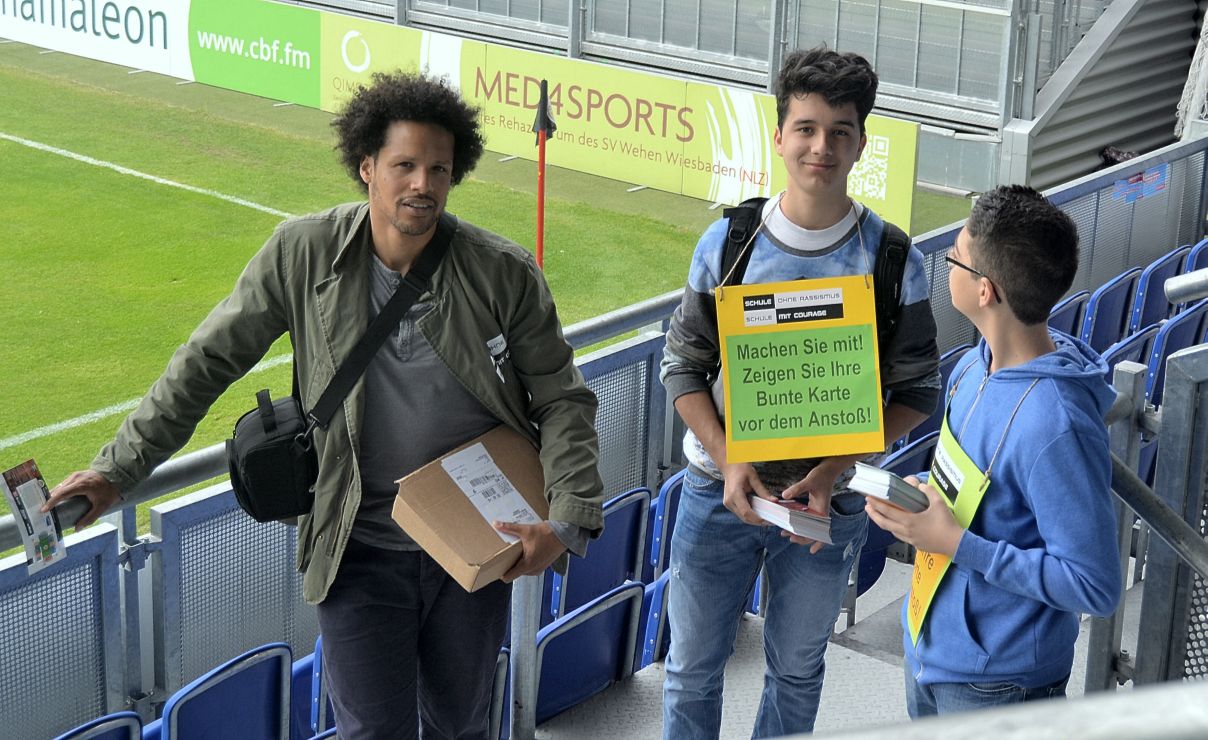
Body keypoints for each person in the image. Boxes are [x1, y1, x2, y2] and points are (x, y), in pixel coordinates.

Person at [43, 71, 604, 739]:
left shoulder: (502, 272)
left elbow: (564, 399)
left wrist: (566, 519)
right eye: (404, 165)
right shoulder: (302, 253)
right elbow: (205, 363)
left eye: (438, 169)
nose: (423, 184)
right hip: (354, 548)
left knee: (462, 727)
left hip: (473, 548)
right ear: (366, 166)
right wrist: (118, 470)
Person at [659, 47, 941, 738]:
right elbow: (681, 367)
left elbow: (919, 391)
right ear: (780, 135)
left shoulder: (892, 258)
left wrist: (831, 469)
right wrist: (730, 458)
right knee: (690, 669)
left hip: (829, 503)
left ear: (861, 143)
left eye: (840, 131)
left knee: (796, 670)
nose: (822, 147)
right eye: (807, 129)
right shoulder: (729, 242)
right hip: (716, 489)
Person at [865, 185, 1122, 717]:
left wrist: (955, 542)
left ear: (985, 290)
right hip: (929, 649)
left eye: (956, 256)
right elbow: (977, 491)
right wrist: (923, 497)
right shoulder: (971, 366)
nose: (948, 265)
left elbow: (1094, 585)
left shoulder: (1056, 425)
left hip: (1000, 687)